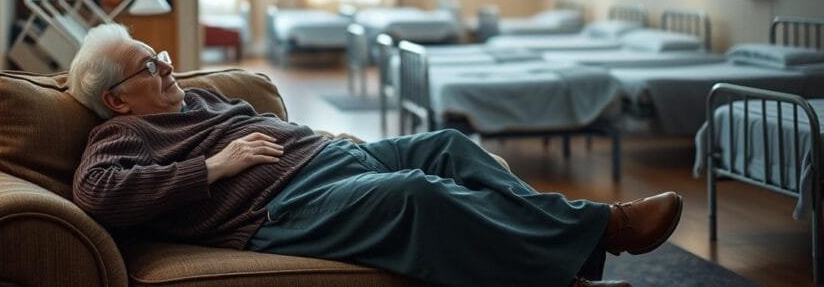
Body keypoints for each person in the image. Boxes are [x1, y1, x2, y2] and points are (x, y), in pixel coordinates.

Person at [69, 24, 682, 287]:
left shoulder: (196, 101)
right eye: (150, 66)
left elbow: (273, 131)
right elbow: (97, 192)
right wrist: (214, 167)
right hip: (283, 208)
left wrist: (320, 140)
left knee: (447, 145)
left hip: (330, 162)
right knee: (418, 193)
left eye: (163, 57)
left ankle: (579, 248)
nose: (168, 67)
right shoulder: (120, 138)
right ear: (117, 100)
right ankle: (603, 231)